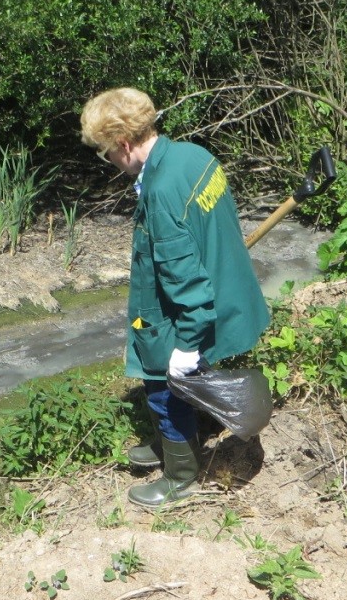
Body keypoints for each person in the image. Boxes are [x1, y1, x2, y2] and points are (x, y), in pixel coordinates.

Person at [80, 87, 269, 507]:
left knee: (162, 385)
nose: (109, 162)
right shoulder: (193, 155)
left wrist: (186, 343)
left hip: (181, 308)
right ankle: (179, 441)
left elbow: (185, 281)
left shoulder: (162, 191)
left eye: (106, 153)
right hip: (219, 288)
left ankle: (181, 475)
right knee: (186, 377)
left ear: (124, 144)